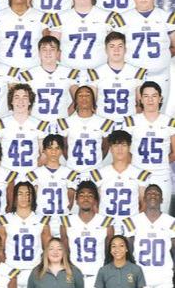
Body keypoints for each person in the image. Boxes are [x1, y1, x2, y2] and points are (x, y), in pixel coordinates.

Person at [116, 0, 175, 104]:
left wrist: (162, 57)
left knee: (159, 111)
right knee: (133, 111)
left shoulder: (167, 17)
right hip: (132, 75)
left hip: (160, 74)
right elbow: (114, 49)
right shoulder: (122, 19)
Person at [121, 81, 175, 213]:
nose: (150, 100)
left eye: (154, 96)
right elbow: (123, 151)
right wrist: (135, 165)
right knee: (135, 214)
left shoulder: (170, 122)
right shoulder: (130, 121)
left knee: (161, 215)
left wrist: (161, 162)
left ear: (160, 98)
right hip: (137, 174)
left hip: (161, 175)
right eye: (146, 96)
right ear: (140, 99)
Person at [89, 130, 151, 234]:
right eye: (116, 145)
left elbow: (144, 205)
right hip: (106, 228)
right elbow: (94, 204)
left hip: (131, 228)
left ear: (129, 148)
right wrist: (103, 222)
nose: (120, 149)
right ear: (110, 149)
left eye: (124, 145)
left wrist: (133, 223)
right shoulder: (99, 174)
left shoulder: (140, 174)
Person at [49, 0, 114, 71]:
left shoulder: (107, 17)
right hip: (68, 73)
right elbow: (52, 49)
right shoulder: (60, 18)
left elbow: (114, 48)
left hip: (99, 73)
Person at [60, 181, 114, 287]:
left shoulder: (106, 223)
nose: (86, 198)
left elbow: (109, 253)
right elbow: (65, 253)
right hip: (74, 277)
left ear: (95, 200)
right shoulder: (66, 222)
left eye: (90, 195)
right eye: (82, 195)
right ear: (76, 200)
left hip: (97, 277)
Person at [0, 181, 53, 287]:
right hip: (11, 271)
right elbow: (0, 250)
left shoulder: (42, 220)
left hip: (34, 271)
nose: (24, 197)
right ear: (14, 197)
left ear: (33, 197)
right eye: (20, 193)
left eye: (28, 194)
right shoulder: (5, 220)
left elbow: (48, 250)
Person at [83, 32, 145, 122]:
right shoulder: (95, 73)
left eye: (120, 46)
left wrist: (131, 121)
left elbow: (141, 105)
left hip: (128, 124)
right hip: (103, 124)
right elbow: (91, 105)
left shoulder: (137, 72)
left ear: (125, 49)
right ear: (106, 50)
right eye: (112, 46)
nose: (116, 50)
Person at [0, 83, 50, 175]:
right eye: (16, 97)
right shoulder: (0, 124)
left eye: (25, 97)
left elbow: (44, 155)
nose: (21, 101)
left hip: (31, 176)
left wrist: (34, 171)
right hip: (7, 176)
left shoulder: (39, 125)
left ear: (30, 101)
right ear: (11, 101)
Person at [123, 184, 175, 288]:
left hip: (164, 278)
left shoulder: (172, 222)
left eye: (157, 193)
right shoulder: (132, 222)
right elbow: (127, 252)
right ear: (144, 198)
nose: (153, 195)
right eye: (149, 193)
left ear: (162, 199)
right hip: (140, 277)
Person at [56, 86, 115, 177]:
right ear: (75, 101)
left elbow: (105, 147)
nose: (84, 98)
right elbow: (64, 147)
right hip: (73, 171)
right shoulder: (65, 122)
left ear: (93, 100)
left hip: (95, 172)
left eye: (87, 95)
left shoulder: (104, 123)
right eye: (80, 96)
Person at [18, 36, 79, 124]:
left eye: (52, 49)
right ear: (39, 53)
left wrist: (65, 115)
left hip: (61, 125)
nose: (48, 53)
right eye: (44, 49)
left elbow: (78, 100)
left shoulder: (69, 73)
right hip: (36, 124)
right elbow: (22, 102)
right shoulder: (28, 75)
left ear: (58, 53)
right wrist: (31, 119)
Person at [27, 134, 77, 236]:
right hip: (42, 221)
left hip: (62, 221)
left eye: (57, 148)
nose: (53, 152)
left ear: (62, 150)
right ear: (44, 150)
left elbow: (70, 201)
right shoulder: (35, 174)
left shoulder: (69, 173)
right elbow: (32, 200)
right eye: (50, 148)